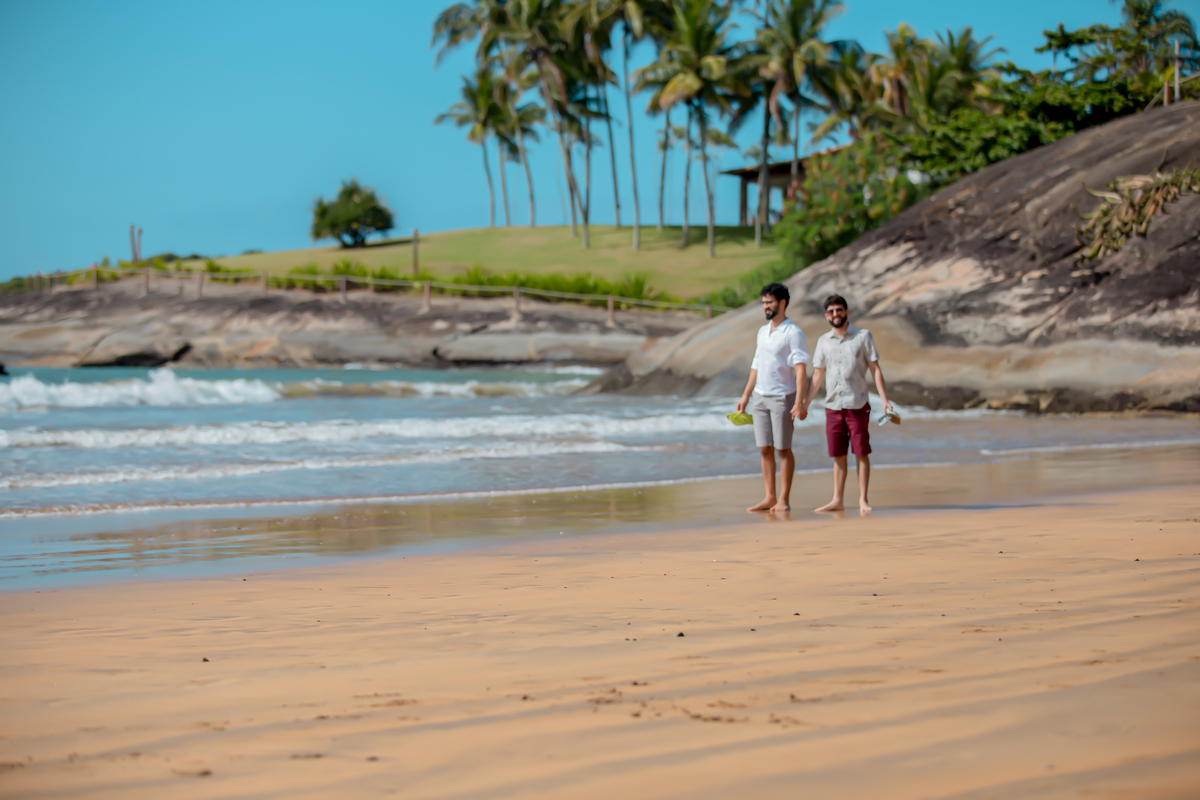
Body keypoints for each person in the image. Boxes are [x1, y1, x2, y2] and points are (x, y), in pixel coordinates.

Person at [800, 294, 893, 514]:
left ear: (847, 311)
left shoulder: (863, 336)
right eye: (831, 311)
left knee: (861, 452)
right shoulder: (823, 341)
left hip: (857, 403)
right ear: (826, 315)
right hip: (832, 405)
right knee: (837, 454)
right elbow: (817, 375)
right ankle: (837, 500)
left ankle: (863, 500)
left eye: (839, 310)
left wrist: (885, 400)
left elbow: (875, 369)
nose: (835, 314)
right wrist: (804, 403)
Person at [735, 283, 809, 512]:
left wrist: (799, 401)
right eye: (764, 303)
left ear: (783, 303)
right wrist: (746, 395)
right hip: (760, 398)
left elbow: (801, 370)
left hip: (782, 398)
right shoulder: (762, 331)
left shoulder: (793, 332)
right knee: (764, 448)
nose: (766, 307)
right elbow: (756, 365)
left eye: (770, 302)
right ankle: (769, 497)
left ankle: (783, 500)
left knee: (782, 449)